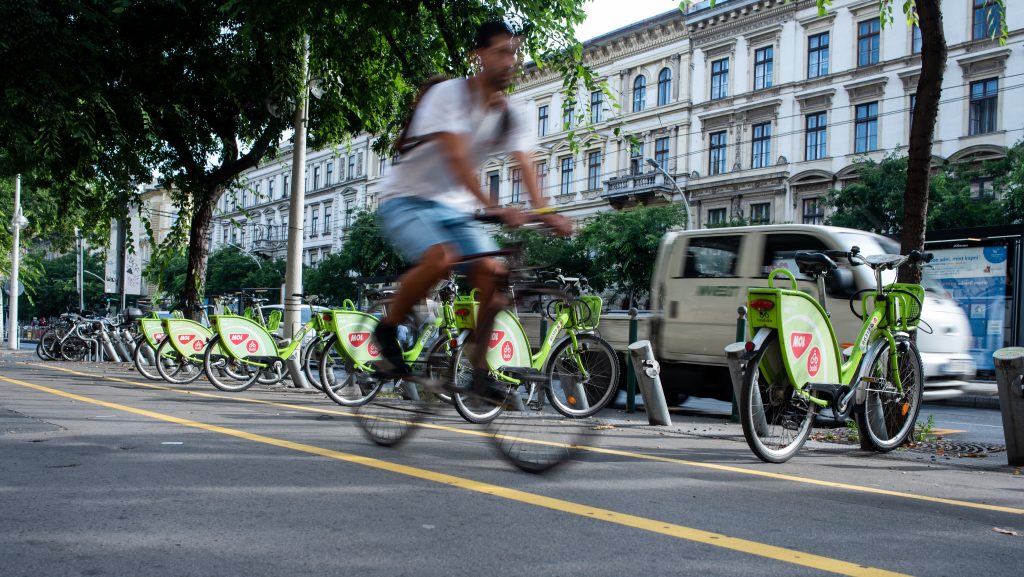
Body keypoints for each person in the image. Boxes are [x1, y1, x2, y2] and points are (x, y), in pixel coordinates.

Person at [373, 20, 570, 398]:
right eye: (500, 52)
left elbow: (526, 164)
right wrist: (494, 206)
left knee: (495, 277)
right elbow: (457, 158)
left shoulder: (513, 114)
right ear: (477, 56)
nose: (510, 60)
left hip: (455, 210)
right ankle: (387, 329)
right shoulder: (447, 95)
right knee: (440, 257)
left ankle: (478, 371)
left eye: (514, 52)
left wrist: (546, 212)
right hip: (405, 198)